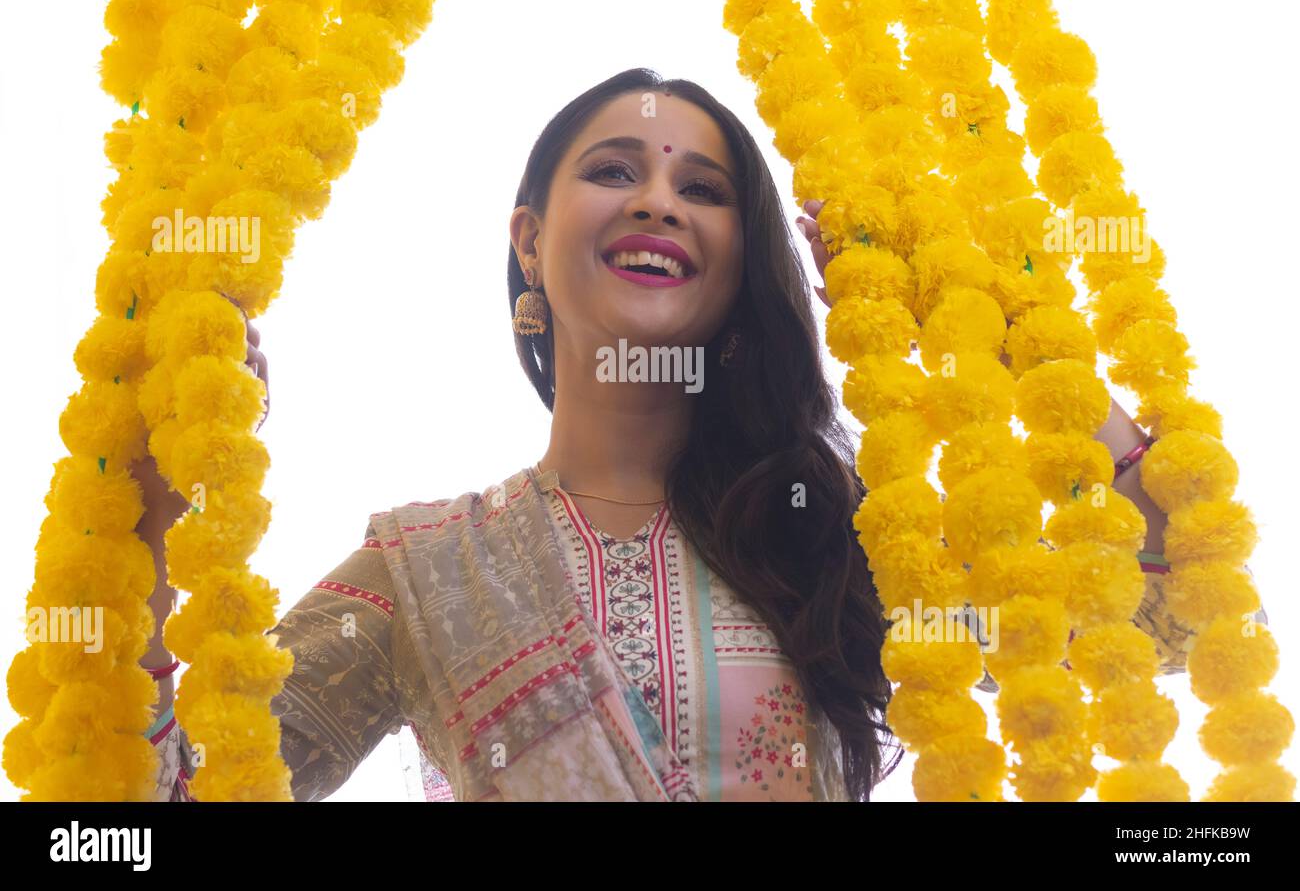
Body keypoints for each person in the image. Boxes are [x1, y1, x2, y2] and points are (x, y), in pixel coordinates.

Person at [132, 67, 1234, 803]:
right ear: (528, 238)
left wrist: (1030, 356)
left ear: (743, 258)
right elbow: (154, 807)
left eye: (701, 188)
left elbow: (1176, 613)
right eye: (615, 170)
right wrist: (145, 511)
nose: (658, 201)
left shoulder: (836, 552)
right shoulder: (419, 571)